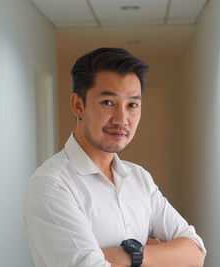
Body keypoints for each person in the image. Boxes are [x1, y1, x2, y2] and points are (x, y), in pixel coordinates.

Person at [24, 47, 206, 267]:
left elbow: (195, 253)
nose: (122, 119)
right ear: (78, 105)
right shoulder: (51, 185)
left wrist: (130, 255)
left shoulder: (139, 178)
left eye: (132, 105)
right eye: (108, 103)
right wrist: (161, 253)